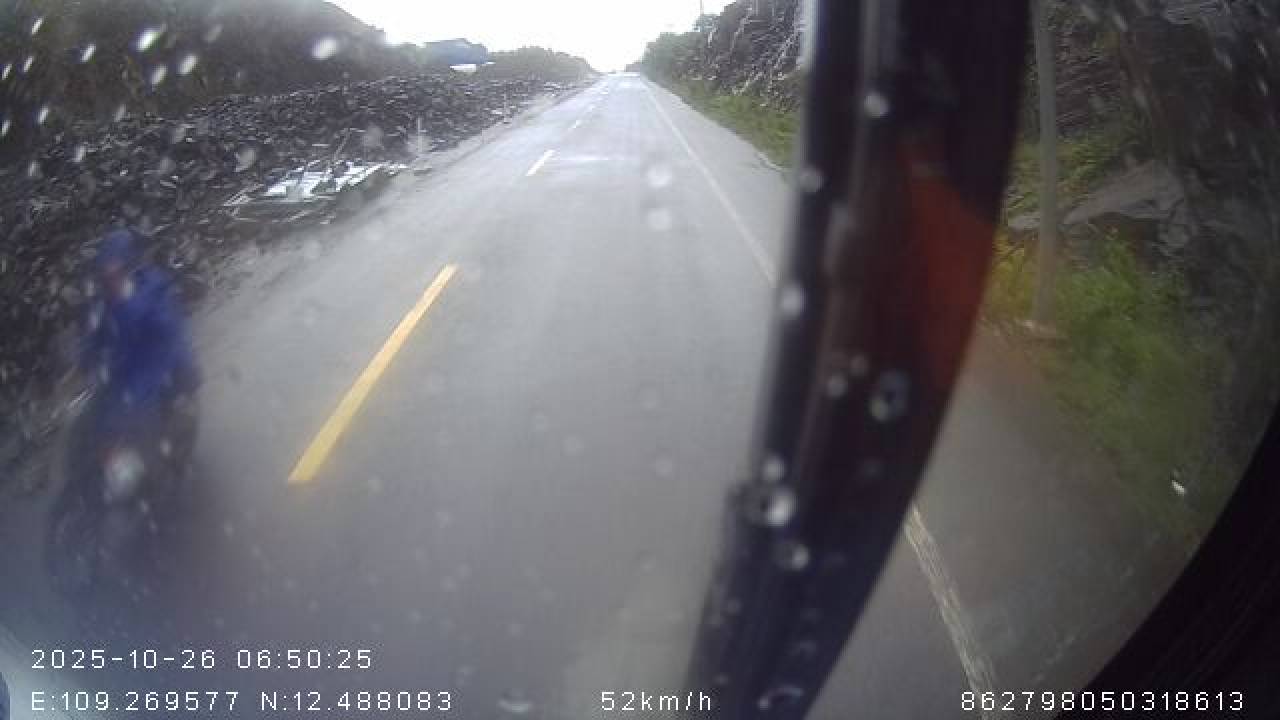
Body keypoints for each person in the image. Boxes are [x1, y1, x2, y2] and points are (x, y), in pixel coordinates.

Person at [78, 228, 200, 451]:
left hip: (160, 369)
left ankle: (173, 447)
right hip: (123, 376)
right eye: (107, 274)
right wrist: (88, 361)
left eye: (116, 271)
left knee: (162, 413)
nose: (112, 279)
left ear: (128, 267)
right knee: (92, 427)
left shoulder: (152, 287)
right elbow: (94, 337)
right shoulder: (102, 303)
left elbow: (167, 331)